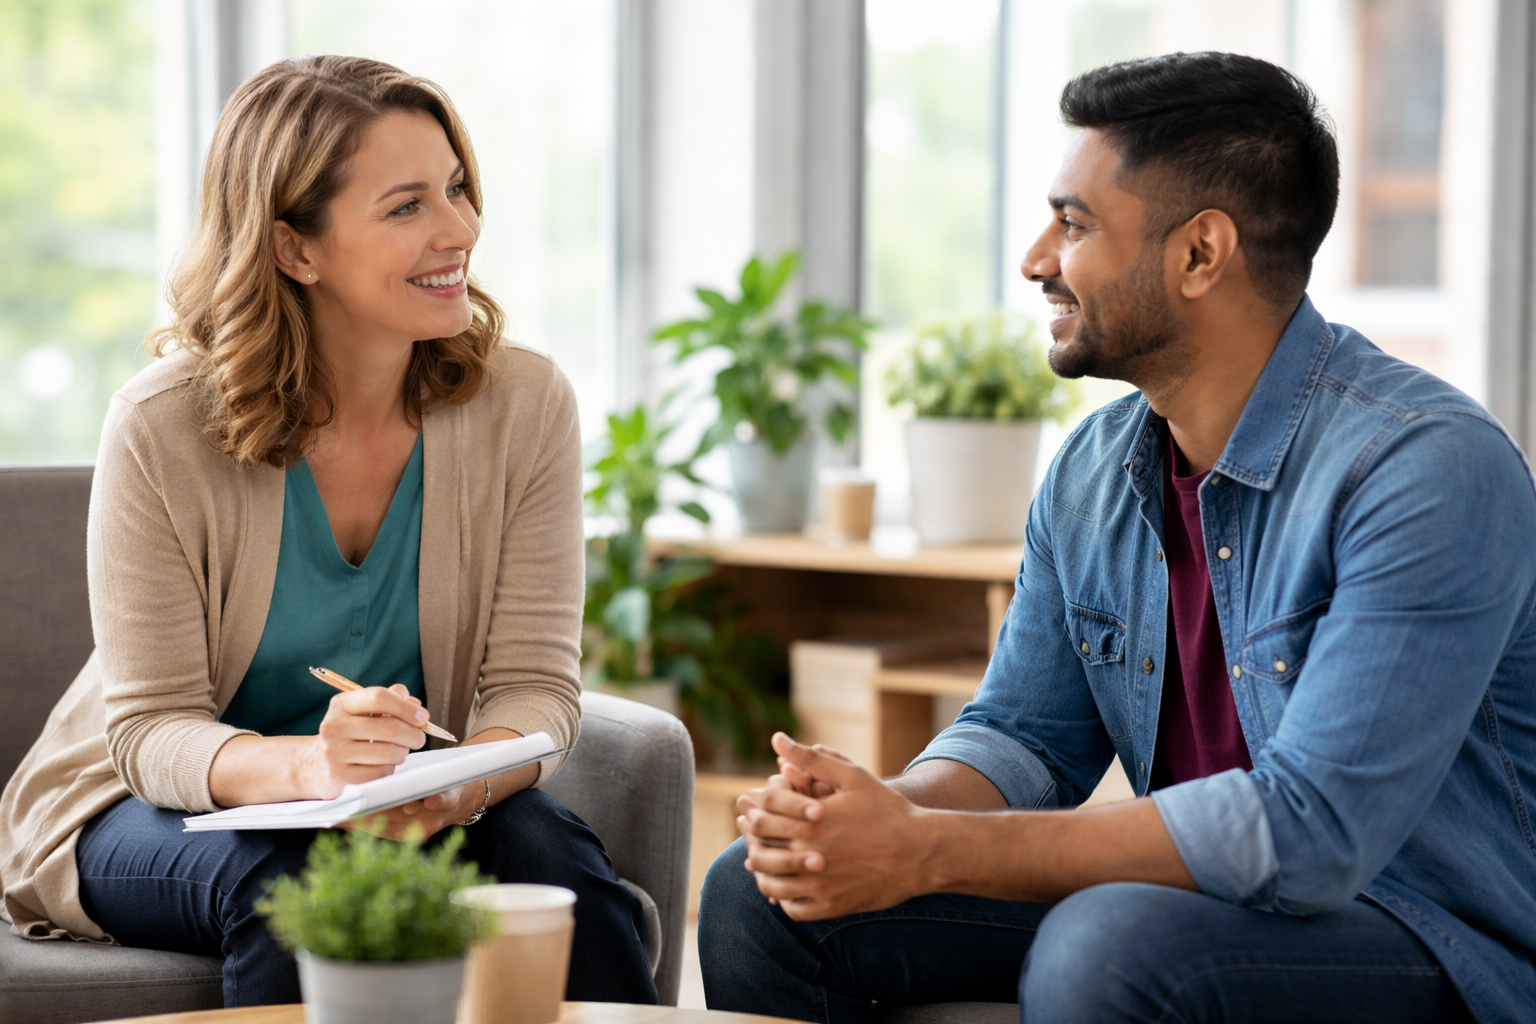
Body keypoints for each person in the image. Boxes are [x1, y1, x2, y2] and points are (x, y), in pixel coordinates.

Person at [699, 52, 1536, 1024]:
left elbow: (1313, 835)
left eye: (1075, 222)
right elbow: (1023, 736)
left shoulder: (1426, 467)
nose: (1036, 259)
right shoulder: (1096, 467)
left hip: (1427, 935)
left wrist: (928, 847)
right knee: (760, 898)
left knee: (1111, 944)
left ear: (1199, 254)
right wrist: (878, 815)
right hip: (1195, 907)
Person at [0, 56, 656, 1007]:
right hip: (151, 805)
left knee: (552, 861)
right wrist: (310, 768)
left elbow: (535, 687)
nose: (460, 229)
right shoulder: (161, 425)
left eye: (458, 188)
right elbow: (148, 730)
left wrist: (455, 789)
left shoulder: (526, 403)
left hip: (399, 790)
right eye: (407, 207)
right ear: (294, 248)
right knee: (297, 890)